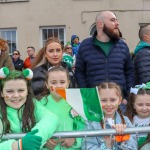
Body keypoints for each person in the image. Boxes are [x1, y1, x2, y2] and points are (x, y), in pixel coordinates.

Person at [75, 11, 134, 111]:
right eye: (112, 20)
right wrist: (89, 96)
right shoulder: (85, 45)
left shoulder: (122, 46)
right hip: (95, 104)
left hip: (120, 104)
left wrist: (127, 97)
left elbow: (129, 71)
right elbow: (79, 73)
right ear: (100, 24)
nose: (117, 23)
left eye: (116, 20)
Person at [0, 67, 59, 150]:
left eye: (21, 90)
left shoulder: (33, 104)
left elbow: (51, 118)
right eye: (10, 91)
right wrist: (18, 145)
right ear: (1, 93)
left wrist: (36, 138)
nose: (16, 95)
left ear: (27, 91)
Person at [39, 66, 85, 150]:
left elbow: (83, 126)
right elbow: (35, 128)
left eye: (62, 82)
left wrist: (75, 139)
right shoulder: (40, 105)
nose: (58, 86)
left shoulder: (76, 103)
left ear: (68, 83)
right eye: (53, 82)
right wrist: (44, 141)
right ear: (47, 84)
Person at [82, 82, 137, 150]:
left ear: (119, 100)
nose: (108, 104)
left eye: (113, 100)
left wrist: (123, 138)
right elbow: (87, 146)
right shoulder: (91, 122)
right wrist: (106, 147)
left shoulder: (125, 121)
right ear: (97, 100)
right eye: (104, 100)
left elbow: (133, 147)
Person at [125, 83, 150, 149]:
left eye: (148, 105)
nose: (144, 108)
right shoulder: (128, 120)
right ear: (134, 105)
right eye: (140, 105)